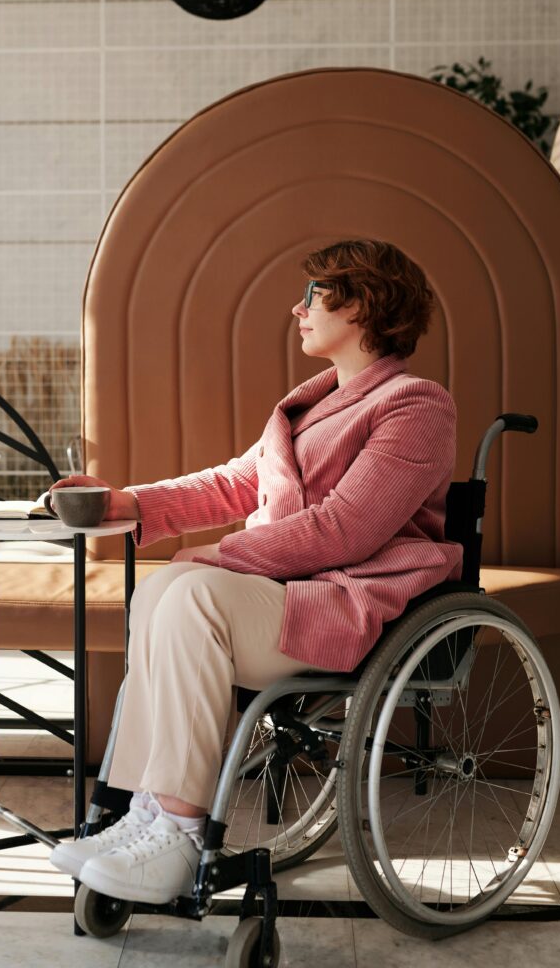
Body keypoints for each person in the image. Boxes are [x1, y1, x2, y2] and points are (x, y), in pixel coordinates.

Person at [48, 238, 463, 905]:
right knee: (161, 591)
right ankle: (148, 814)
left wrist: (218, 555)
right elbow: (236, 482)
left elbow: (347, 529)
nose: (296, 309)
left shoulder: (417, 406)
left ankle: (180, 832)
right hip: (284, 593)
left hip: (348, 602)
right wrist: (127, 503)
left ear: (362, 306)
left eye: (313, 295)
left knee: (193, 595)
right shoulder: (314, 403)